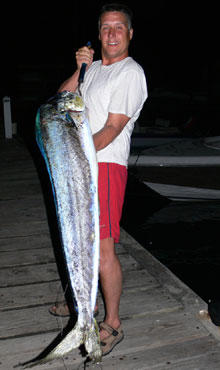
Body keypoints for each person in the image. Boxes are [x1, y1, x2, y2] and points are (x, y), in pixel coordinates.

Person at [50, 3, 148, 355]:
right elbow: (61, 99)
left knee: (103, 248)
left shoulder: (130, 72)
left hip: (105, 165)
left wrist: (76, 160)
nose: (111, 33)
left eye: (118, 27)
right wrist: (81, 68)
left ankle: (114, 323)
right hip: (83, 165)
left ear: (130, 33)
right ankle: (85, 306)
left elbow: (112, 128)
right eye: (105, 27)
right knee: (82, 242)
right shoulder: (93, 71)